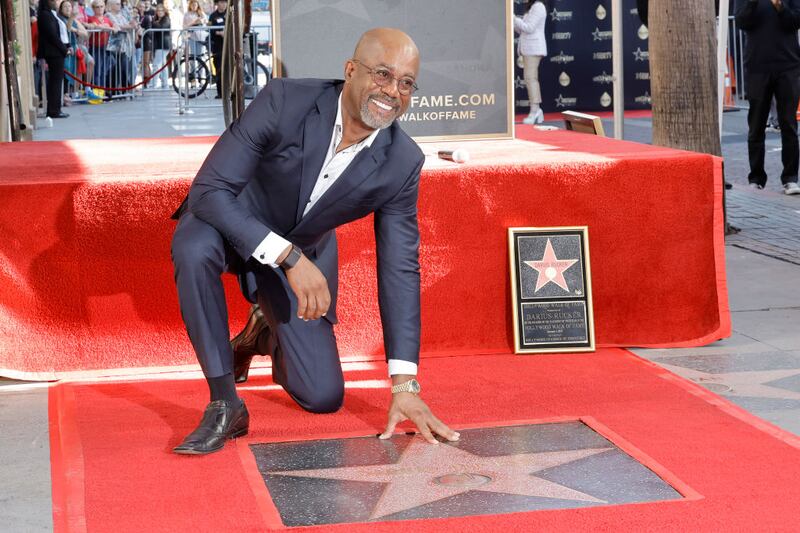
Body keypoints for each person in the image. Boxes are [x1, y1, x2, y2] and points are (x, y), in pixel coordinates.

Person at [170, 28, 459, 455]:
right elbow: (208, 191)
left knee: (322, 397)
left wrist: (405, 384)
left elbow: (400, 267)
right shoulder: (285, 99)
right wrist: (287, 256)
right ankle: (225, 402)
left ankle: (260, 334)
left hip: (303, 250)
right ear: (350, 70)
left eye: (406, 83)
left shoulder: (402, 162)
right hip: (230, 222)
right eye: (383, 74)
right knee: (192, 248)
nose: (392, 91)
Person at [735, 0, 800, 195]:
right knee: (756, 125)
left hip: (788, 66)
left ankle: (790, 178)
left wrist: (780, 7)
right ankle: (756, 178)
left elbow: (795, 21)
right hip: (757, 67)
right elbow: (741, 21)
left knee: (788, 124)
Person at [37, 0, 72, 118]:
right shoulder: (44, 15)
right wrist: (64, 49)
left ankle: (55, 108)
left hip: (56, 52)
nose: (55, 2)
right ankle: (54, 110)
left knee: (56, 81)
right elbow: (52, 35)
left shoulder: (50, 13)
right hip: (53, 52)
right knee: (55, 82)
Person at [514, 0, 547, 125]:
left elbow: (529, 28)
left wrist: (514, 18)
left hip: (534, 48)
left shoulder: (538, 6)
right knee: (530, 78)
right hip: (528, 49)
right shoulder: (532, 7)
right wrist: (515, 22)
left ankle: (535, 110)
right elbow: (522, 29)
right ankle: (536, 111)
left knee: (530, 78)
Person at [86, 1, 118, 87]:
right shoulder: (91, 18)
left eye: (101, 6)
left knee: (105, 69)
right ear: (93, 8)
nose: (100, 9)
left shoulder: (107, 19)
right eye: (97, 7)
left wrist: (111, 27)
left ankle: (102, 90)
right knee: (97, 71)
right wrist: (110, 28)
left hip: (106, 48)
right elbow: (97, 26)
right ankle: (97, 90)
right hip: (95, 47)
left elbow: (116, 27)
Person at [151, 2, 171, 89]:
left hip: (163, 45)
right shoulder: (157, 19)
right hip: (159, 45)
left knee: (156, 65)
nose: (159, 12)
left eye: (161, 10)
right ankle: (165, 84)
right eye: (158, 10)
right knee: (163, 65)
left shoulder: (166, 19)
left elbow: (161, 27)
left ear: (164, 11)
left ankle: (153, 84)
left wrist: (154, 23)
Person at [207, 0, 225, 98]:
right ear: (217, 4)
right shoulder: (212, 16)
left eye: (224, 2)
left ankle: (230, 91)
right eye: (221, 2)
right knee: (218, 68)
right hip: (217, 46)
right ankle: (220, 92)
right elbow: (209, 28)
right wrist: (218, 32)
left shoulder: (229, 14)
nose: (223, 5)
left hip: (228, 45)